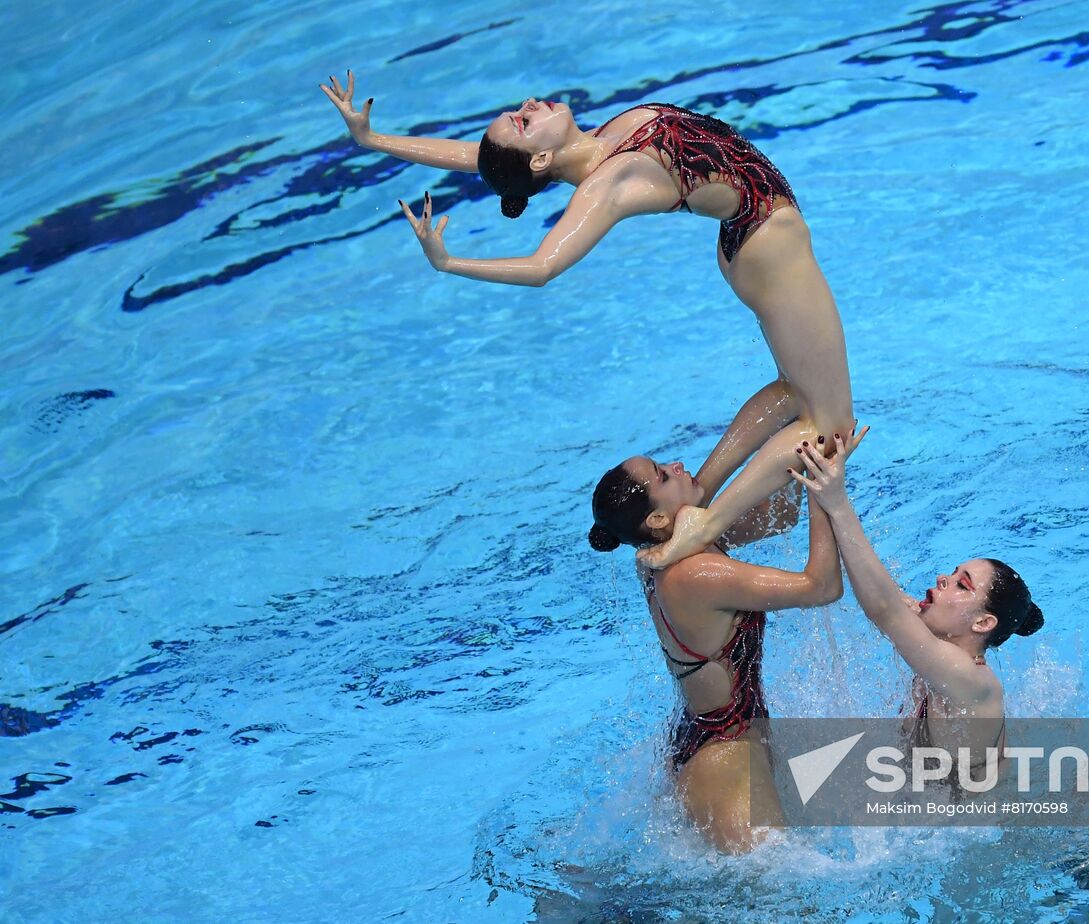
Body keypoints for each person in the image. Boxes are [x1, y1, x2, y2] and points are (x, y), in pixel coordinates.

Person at [320, 71, 854, 569]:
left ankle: (701, 499)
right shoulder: (607, 182)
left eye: (518, 112)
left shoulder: (596, 141)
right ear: (541, 157)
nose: (528, 105)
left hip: (752, 238)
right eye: (523, 121)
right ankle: (704, 526)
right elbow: (541, 266)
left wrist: (373, 139)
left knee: (791, 394)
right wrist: (449, 262)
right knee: (829, 429)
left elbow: (480, 157)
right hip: (767, 247)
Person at [588, 439, 844, 853]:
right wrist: (824, 490)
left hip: (710, 734)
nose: (677, 464)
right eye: (663, 474)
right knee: (779, 886)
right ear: (657, 518)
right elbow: (822, 586)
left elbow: (780, 517)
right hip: (723, 755)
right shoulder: (694, 574)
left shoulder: (668, 549)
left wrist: (805, 451)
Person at [789, 428, 1044, 773]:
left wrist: (837, 501)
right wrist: (825, 483)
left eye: (961, 585)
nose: (942, 578)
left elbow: (884, 609)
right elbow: (880, 588)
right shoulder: (943, 645)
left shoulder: (971, 680)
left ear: (983, 623)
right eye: (952, 572)